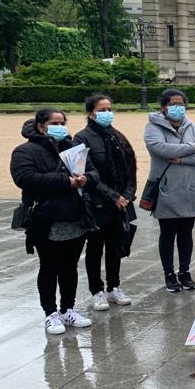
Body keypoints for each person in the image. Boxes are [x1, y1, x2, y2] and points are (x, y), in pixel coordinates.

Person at [10, 108, 99, 335]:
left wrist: (85, 179)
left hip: (75, 216)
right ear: (42, 126)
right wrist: (66, 181)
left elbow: (93, 173)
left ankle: (68, 308)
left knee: (70, 266)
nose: (60, 127)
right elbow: (25, 178)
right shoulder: (25, 151)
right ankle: (50, 312)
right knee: (49, 266)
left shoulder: (73, 149)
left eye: (62, 122)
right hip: (46, 218)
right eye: (55, 123)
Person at [144, 89, 195, 292]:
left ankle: (185, 271)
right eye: (173, 104)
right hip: (167, 187)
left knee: (186, 233)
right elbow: (162, 149)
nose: (178, 108)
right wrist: (193, 147)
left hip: (191, 187)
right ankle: (169, 273)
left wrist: (182, 159)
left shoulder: (193, 126)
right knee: (168, 233)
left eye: (181, 104)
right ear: (163, 107)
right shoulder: (153, 127)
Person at [74, 94, 137, 311]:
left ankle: (114, 286)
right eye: (102, 110)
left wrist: (127, 194)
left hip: (120, 202)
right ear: (91, 113)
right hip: (97, 202)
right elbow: (86, 173)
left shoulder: (117, 136)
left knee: (115, 246)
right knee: (95, 248)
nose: (107, 113)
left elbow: (130, 167)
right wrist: (113, 196)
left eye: (109, 109)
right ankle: (96, 290)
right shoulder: (81, 138)